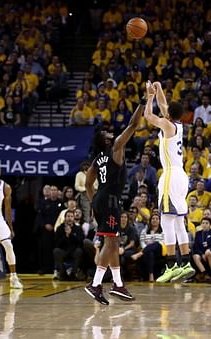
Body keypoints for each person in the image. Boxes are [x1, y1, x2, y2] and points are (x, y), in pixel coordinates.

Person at [84, 96, 145, 305]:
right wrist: (143, 102)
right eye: (107, 133)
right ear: (106, 140)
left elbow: (87, 185)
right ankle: (96, 284)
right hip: (109, 201)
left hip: (102, 199)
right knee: (110, 245)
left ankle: (118, 285)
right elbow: (134, 124)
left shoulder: (96, 160)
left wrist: (94, 204)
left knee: (112, 242)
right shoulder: (116, 147)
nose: (111, 133)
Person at [143, 81, 195, 283]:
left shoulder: (166, 124)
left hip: (171, 175)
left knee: (166, 220)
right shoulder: (178, 123)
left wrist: (149, 96)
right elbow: (164, 106)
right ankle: (186, 263)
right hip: (181, 175)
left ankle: (172, 265)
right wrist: (158, 88)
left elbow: (148, 116)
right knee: (178, 221)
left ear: (168, 115)